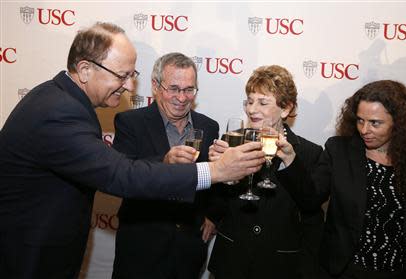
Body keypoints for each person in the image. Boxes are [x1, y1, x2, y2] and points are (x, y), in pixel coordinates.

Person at [0, 23, 265, 278]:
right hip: (27, 259)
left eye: (132, 75)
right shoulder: (59, 111)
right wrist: (215, 170)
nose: (129, 86)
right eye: (121, 75)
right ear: (84, 70)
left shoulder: (61, 101)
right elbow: (120, 173)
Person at [297, 80, 406, 279]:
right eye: (360, 120)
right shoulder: (339, 151)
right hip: (344, 272)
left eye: (375, 123)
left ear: (398, 122)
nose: (364, 129)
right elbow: (309, 199)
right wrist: (290, 161)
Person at [207, 65, 324, 279]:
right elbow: (216, 207)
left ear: (286, 108)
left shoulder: (310, 153)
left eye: (262, 102)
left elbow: (311, 206)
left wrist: (290, 160)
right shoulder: (231, 142)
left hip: (280, 266)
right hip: (232, 262)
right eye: (250, 101)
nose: (252, 110)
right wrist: (221, 174)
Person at [111, 52, 219, 279]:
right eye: (174, 88)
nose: (182, 98)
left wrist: (212, 214)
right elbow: (120, 173)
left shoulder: (209, 126)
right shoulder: (130, 122)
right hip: (142, 249)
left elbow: (213, 179)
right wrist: (164, 162)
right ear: (155, 85)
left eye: (189, 89)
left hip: (189, 250)